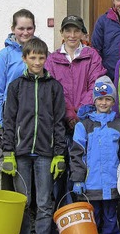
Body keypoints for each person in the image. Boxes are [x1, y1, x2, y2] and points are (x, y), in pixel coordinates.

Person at [0, 38, 67, 234]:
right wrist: (8, 151)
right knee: (23, 202)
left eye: (41, 57)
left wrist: (59, 154)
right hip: (20, 153)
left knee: (44, 203)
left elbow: (59, 122)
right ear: (24, 58)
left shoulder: (54, 87)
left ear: (46, 58)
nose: (37, 61)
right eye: (32, 57)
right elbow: (9, 120)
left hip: (46, 153)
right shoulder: (16, 86)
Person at [45, 15, 107, 207]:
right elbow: (52, 90)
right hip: (60, 123)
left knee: (82, 168)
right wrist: (69, 114)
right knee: (60, 171)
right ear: (62, 33)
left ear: (82, 33)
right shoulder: (52, 60)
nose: (72, 35)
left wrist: (80, 113)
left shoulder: (92, 56)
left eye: (76, 30)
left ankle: (82, 210)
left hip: (86, 121)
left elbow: (95, 84)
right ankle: (62, 213)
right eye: (68, 30)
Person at [70, 76, 120, 234]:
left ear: (113, 102)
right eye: (100, 99)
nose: (104, 102)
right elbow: (77, 154)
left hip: (111, 183)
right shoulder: (83, 125)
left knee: (111, 218)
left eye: (108, 99)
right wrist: (78, 178)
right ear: (94, 101)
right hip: (91, 183)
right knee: (90, 219)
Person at [0, 9, 36, 148]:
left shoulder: (42, 52)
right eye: (21, 28)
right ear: (13, 29)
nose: (25, 32)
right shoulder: (4, 55)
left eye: (29, 28)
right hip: (12, 112)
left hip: (36, 109)